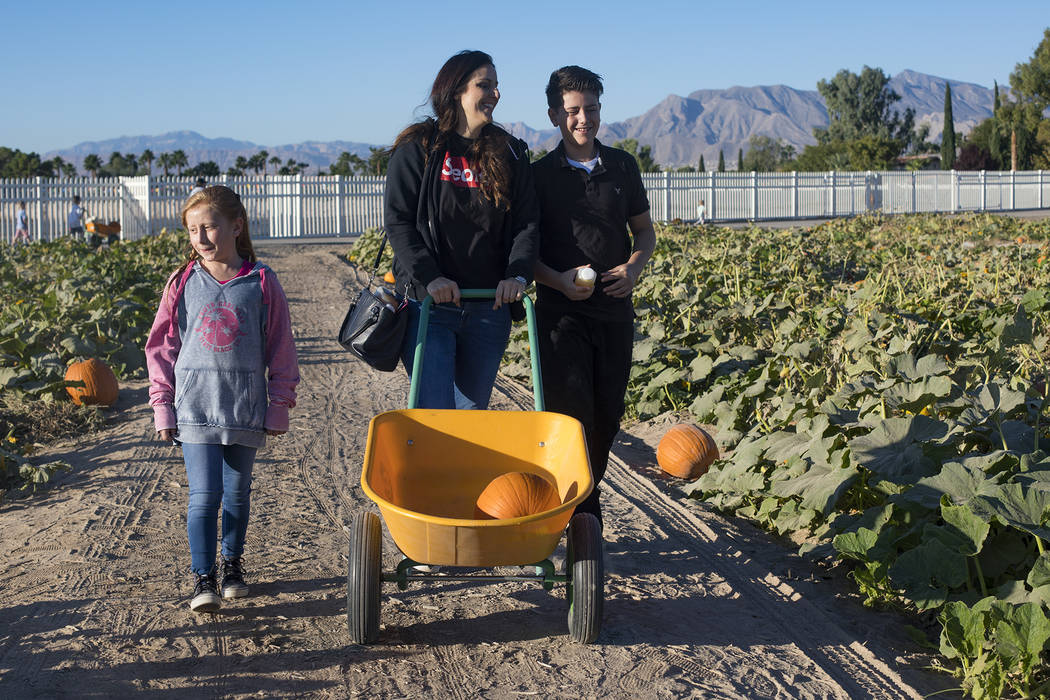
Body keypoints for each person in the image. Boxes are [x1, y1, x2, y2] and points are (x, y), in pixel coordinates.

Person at [145, 185, 299, 612]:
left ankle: (232, 566)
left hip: (244, 406)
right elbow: (161, 347)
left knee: (236, 494)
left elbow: (281, 346)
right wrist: (162, 404)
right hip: (194, 407)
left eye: (209, 226)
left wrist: (279, 402)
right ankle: (203, 579)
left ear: (236, 225)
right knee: (203, 496)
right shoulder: (182, 282)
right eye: (193, 230)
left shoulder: (262, 281)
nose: (201, 238)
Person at [531, 66, 656, 530]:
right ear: (553, 116)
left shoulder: (622, 166)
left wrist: (634, 267)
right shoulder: (539, 176)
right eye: (573, 111)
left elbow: (643, 231)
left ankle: (583, 495)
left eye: (591, 109)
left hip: (614, 313)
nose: (584, 119)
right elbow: (525, 251)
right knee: (572, 415)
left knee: (607, 416)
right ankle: (582, 512)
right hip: (560, 315)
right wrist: (557, 280)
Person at [384, 49, 539, 410]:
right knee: (435, 414)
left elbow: (527, 222)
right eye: (485, 85)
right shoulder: (418, 147)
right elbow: (399, 220)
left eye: (497, 86)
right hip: (430, 306)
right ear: (456, 91)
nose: (495, 94)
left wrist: (517, 275)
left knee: (471, 417)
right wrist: (431, 277)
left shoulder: (509, 151)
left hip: (489, 308)